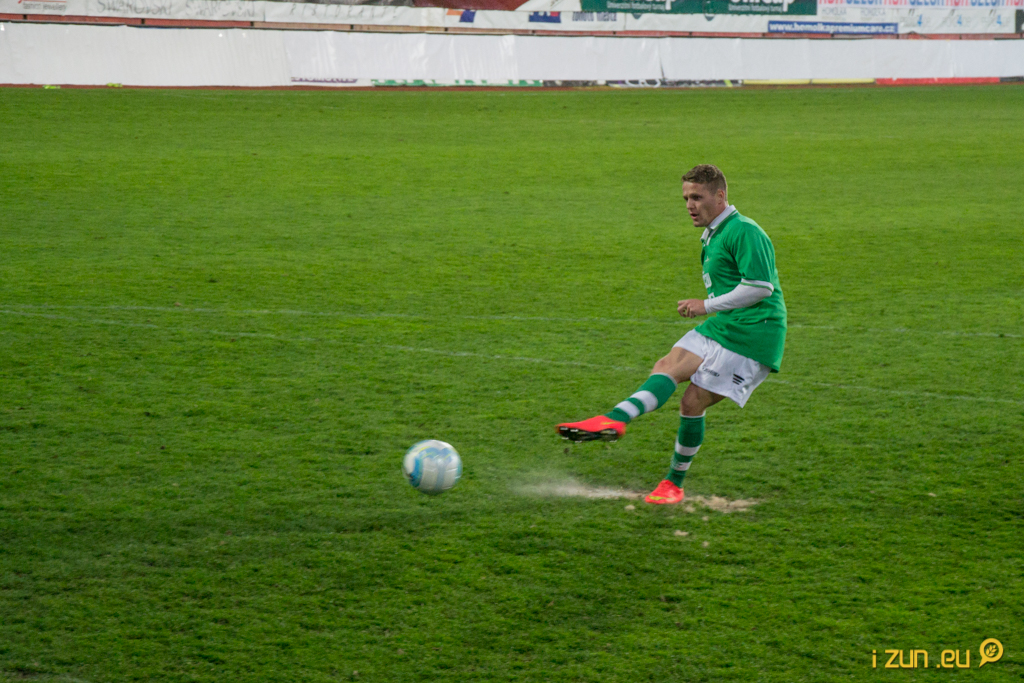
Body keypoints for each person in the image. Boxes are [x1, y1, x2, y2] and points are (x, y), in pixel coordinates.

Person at [556, 164, 787, 504]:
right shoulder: (715, 233)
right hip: (726, 324)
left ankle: (673, 484)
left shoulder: (744, 231)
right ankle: (614, 420)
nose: (690, 205)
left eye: (697, 197)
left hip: (754, 335)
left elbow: (760, 287)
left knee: (692, 402)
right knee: (667, 366)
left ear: (720, 196)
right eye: (686, 198)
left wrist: (705, 305)